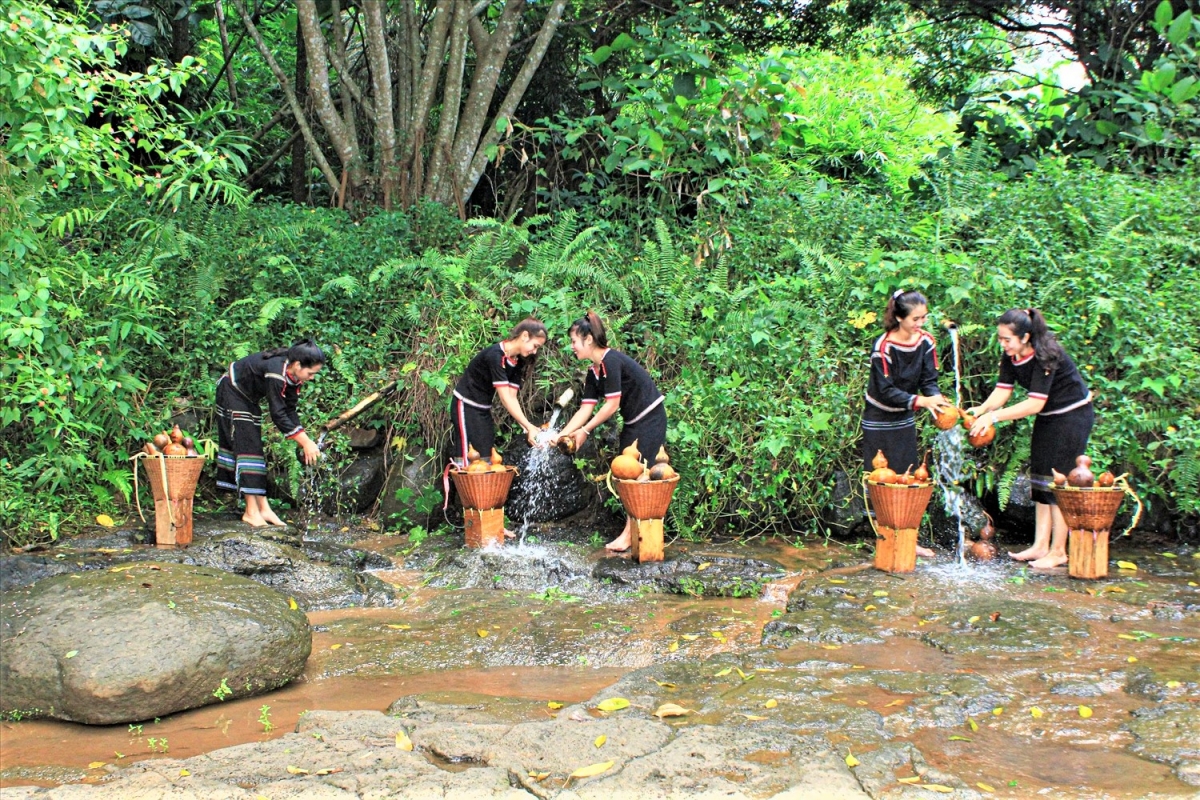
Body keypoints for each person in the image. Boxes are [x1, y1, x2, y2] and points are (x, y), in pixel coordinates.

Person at [967, 308, 1093, 569]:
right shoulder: (1011, 355)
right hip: (1049, 417)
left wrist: (993, 418)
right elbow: (1003, 390)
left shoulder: (1047, 355)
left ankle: (1058, 551)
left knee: (1057, 481)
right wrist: (981, 410)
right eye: (1000, 339)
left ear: (1025, 337)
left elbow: (1035, 403)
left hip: (1072, 416)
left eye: (1007, 340)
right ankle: (1040, 545)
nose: (1002, 344)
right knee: (1040, 477)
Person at [556, 312, 666, 552]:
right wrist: (561, 434)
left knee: (639, 476)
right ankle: (632, 534)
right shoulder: (594, 371)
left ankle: (630, 535)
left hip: (650, 418)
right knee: (625, 475)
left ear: (588, 339)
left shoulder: (611, 361)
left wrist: (585, 430)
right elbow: (586, 408)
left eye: (574, 341)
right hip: (633, 423)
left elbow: (612, 405)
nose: (572, 346)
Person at [862, 290, 952, 558]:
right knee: (880, 479)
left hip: (904, 417)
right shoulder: (883, 347)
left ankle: (908, 539)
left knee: (908, 476)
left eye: (924, 317)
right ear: (899, 317)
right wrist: (921, 401)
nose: (920, 323)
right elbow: (885, 390)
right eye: (915, 318)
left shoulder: (926, 342)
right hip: (879, 417)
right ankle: (884, 536)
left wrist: (934, 398)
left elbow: (928, 379)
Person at [215, 339, 325, 527]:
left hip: (247, 399)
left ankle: (263, 508)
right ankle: (251, 512)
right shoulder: (276, 372)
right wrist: (305, 443)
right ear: (298, 365)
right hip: (231, 393)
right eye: (311, 373)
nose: (312, 377)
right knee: (248, 449)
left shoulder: (292, 374)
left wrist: (304, 438)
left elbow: (289, 409)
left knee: (254, 449)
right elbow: (278, 413)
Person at [449, 318, 547, 467]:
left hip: (483, 409)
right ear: (525, 336)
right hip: (465, 405)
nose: (535, 351)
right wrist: (528, 426)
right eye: (535, 346)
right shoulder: (496, 356)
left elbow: (512, 397)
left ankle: (484, 490)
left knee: (486, 455)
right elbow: (505, 398)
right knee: (468, 456)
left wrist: (528, 427)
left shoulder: (518, 361)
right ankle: (464, 489)